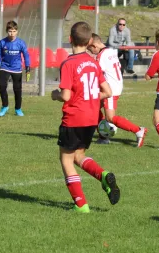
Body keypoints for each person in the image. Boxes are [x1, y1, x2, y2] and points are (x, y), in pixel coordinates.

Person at [51, 21, 120, 213]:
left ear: (70, 39)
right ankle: (103, 175)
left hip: (74, 117)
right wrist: (89, 97)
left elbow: (65, 95)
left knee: (66, 159)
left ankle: (81, 204)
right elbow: (107, 91)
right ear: (90, 41)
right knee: (78, 155)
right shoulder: (93, 62)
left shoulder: (68, 63)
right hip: (91, 118)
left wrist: (54, 94)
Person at [88, 33, 147, 147]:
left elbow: (96, 73)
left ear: (94, 46)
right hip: (116, 85)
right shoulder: (110, 51)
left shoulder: (101, 56)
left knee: (110, 118)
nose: (91, 52)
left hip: (110, 90)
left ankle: (138, 130)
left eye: (90, 49)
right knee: (93, 108)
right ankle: (103, 136)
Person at [0, 20, 31, 117]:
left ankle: (18, 109)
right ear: (7, 31)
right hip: (5, 67)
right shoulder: (2, 42)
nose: (12, 33)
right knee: (2, 86)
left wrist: (28, 68)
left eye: (14, 31)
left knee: (17, 89)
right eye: (10, 31)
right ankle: (5, 106)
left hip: (16, 68)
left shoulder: (21, 43)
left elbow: (26, 55)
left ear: (17, 31)